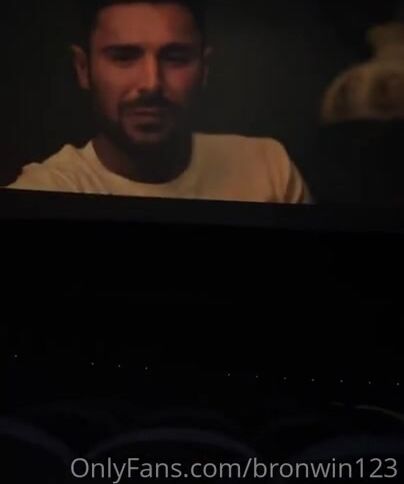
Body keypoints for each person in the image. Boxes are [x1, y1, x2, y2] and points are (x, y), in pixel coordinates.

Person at [6, 0, 311, 203]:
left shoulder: (269, 168)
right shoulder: (43, 194)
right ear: (83, 69)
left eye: (175, 58)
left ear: (205, 69)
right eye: (124, 57)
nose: (151, 83)